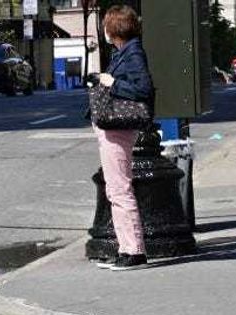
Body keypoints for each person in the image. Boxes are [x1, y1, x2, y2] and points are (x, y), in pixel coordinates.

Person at [92, 4, 153, 271]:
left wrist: (111, 82)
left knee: (119, 189)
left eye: (106, 25)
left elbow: (143, 88)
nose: (104, 30)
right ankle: (125, 248)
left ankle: (133, 251)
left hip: (119, 128)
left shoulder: (132, 52)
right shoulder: (123, 52)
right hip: (112, 128)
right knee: (115, 188)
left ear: (113, 29)